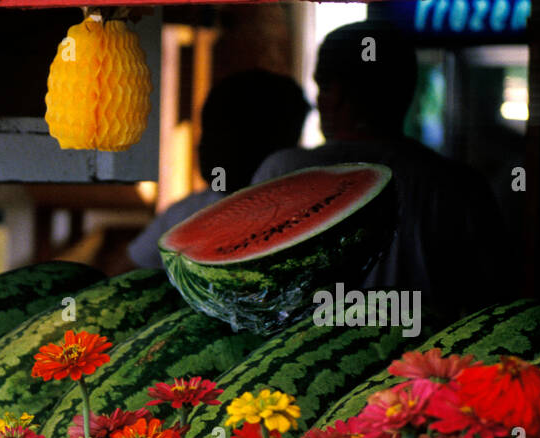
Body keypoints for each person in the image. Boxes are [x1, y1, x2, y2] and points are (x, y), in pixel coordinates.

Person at [251, 22, 512, 320]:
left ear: (335, 95)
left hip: (296, 362)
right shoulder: (459, 186)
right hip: (423, 361)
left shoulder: (282, 171)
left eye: (322, 86)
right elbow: (495, 302)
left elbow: (250, 298)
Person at [128, 70, 310, 269]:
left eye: (223, 134)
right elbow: (126, 270)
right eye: (206, 132)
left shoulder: (300, 215)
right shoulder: (184, 212)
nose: (201, 146)